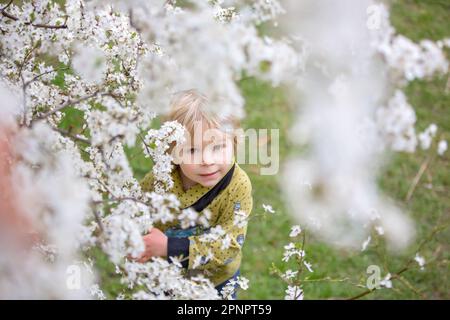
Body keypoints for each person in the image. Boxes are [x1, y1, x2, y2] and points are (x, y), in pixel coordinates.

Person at [139, 89, 253, 299]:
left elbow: (230, 245)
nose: (207, 160)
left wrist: (168, 247)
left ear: (234, 143)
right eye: (192, 151)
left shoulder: (237, 186)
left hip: (215, 283)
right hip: (164, 276)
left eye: (218, 147)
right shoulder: (161, 178)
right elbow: (137, 207)